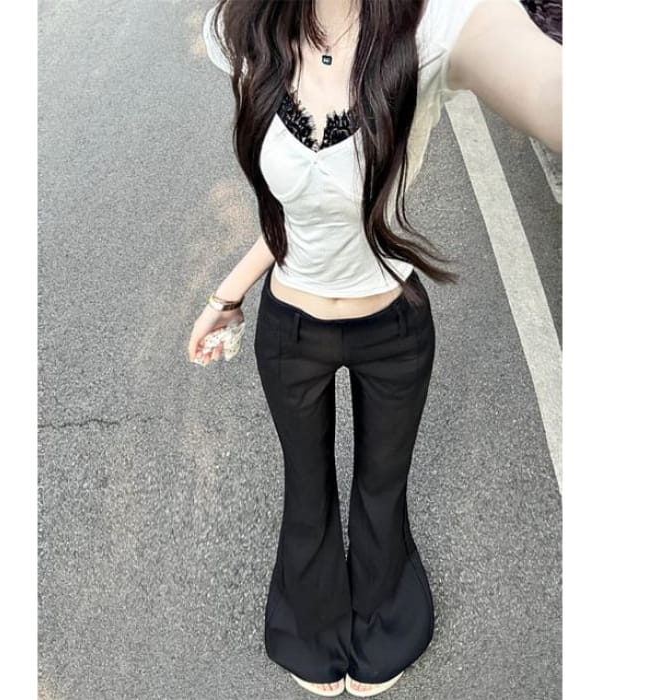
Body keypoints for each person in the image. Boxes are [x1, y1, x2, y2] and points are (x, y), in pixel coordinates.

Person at [190, 0, 561, 696]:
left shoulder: (437, 26)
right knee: (307, 488)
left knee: (381, 490)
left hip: (392, 328)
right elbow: (292, 210)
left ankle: (387, 620)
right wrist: (226, 296)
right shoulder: (240, 27)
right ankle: (310, 627)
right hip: (291, 329)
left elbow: (555, 91)